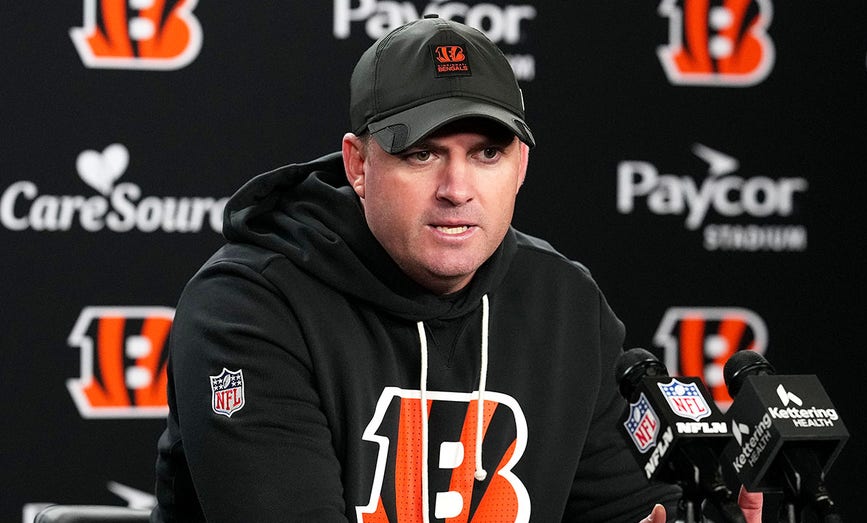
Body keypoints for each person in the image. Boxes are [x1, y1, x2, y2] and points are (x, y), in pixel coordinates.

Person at [152, 15, 762, 522]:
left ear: (521, 166)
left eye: (487, 153)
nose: (457, 189)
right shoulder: (248, 307)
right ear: (359, 165)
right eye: (422, 154)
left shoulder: (564, 304)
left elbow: (624, 511)